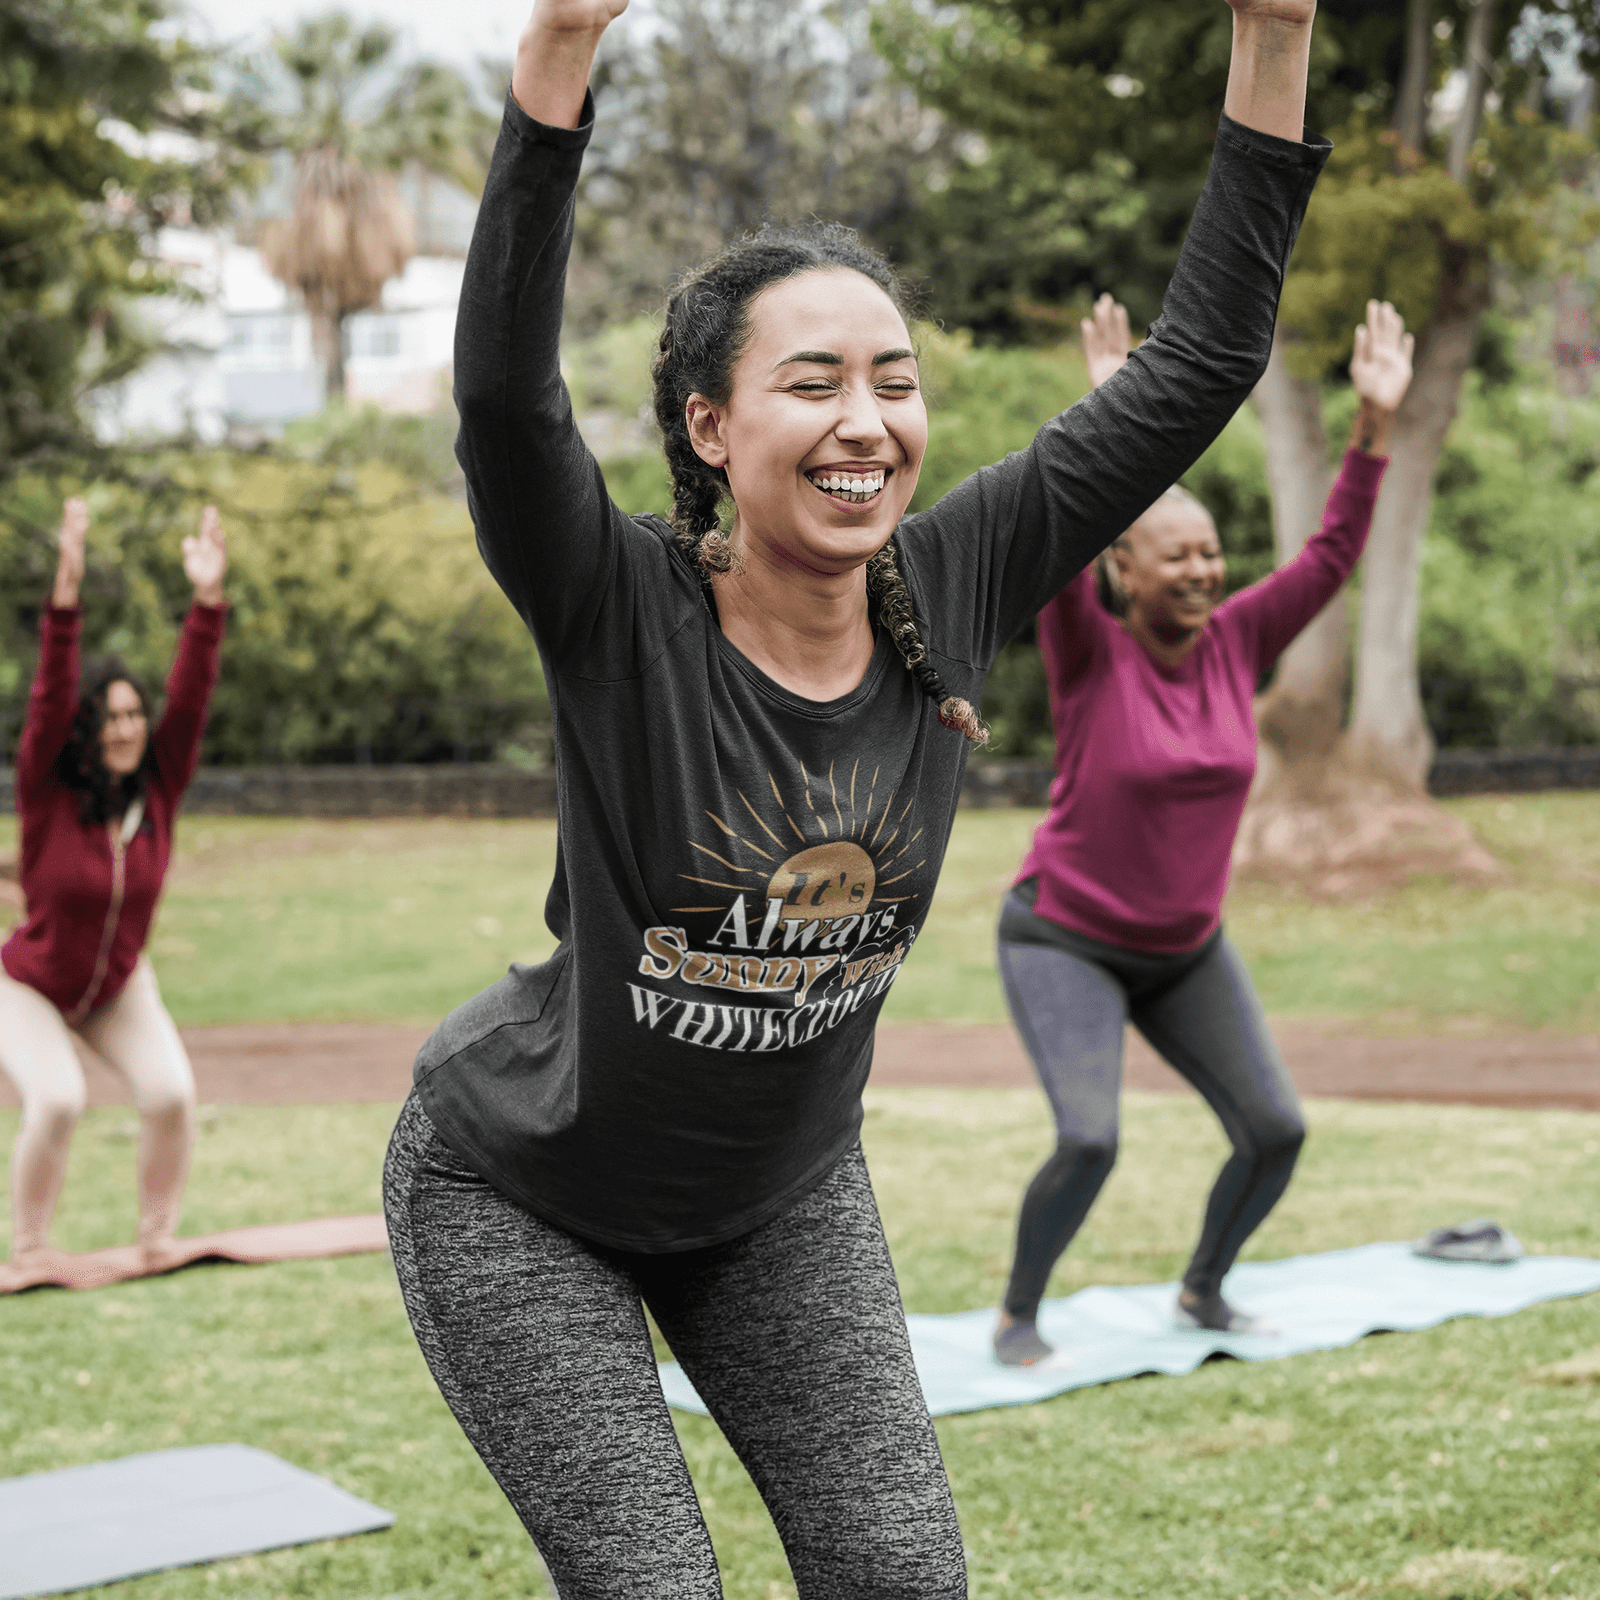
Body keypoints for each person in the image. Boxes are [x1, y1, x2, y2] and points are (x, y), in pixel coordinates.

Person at [381, 1, 1326, 1592]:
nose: (865, 423)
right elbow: (503, 405)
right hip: (520, 1193)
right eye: (811, 383)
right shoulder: (617, 603)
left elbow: (1205, 361)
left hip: (778, 1197)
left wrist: (1278, 28)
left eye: (893, 381)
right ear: (708, 424)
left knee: (902, 1577)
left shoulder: (954, 581)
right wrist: (556, 55)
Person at [990, 296, 1414, 1368]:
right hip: (1065, 935)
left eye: (1209, 552)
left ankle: (1202, 1291)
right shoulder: (1086, 646)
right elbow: (1067, 520)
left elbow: (1328, 554)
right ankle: (1017, 1314)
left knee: (1275, 1129)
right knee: (1089, 1138)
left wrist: (1372, 423)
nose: (1199, 570)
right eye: (1172, 557)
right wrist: (1112, 416)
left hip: (1184, 949)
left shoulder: (1237, 640)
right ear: (1123, 570)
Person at [0, 497, 228, 1272]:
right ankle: (29, 1249)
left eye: (134, 713)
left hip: (117, 986)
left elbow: (192, 700)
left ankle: (156, 1238)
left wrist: (206, 602)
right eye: (110, 717)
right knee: (58, 1098)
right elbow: (48, 697)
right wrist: (65, 589)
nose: (127, 727)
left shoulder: (157, 789)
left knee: (170, 1094)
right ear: (89, 729)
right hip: (27, 983)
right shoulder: (47, 793)